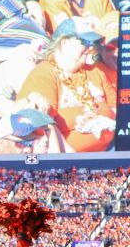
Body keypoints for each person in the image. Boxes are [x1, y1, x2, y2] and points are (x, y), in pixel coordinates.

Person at [17, 18, 117, 153]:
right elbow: (45, 130)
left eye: (91, 43)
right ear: (64, 43)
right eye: (84, 42)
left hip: (112, 148)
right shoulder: (44, 75)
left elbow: (116, 108)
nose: (90, 48)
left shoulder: (95, 70)